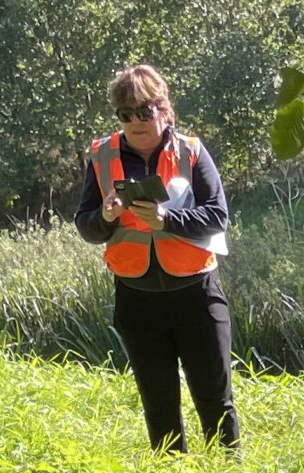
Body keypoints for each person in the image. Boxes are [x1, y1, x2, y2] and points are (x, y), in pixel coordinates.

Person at [74, 64, 240, 452]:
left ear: (164, 109)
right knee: (160, 406)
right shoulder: (101, 156)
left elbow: (218, 217)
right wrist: (106, 216)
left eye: (144, 112)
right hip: (137, 298)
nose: (135, 122)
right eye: (125, 114)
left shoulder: (192, 152)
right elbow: (86, 226)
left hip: (196, 294)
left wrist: (169, 219)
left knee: (215, 401)